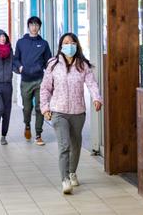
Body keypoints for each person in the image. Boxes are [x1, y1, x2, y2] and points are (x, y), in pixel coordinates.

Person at [40, 32, 103, 195]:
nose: (69, 45)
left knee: (76, 145)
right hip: (58, 112)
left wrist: (97, 98)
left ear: (76, 45)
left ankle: (72, 172)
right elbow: (45, 88)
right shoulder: (53, 64)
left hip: (78, 112)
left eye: (72, 42)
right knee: (64, 145)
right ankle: (65, 179)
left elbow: (92, 84)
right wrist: (45, 108)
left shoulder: (83, 65)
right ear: (61, 46)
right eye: (66, 43)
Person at [13, 16, 52, 145]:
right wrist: (20, 67)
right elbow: (16, 59)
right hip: (25, 80)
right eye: (32, 25)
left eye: (36, 25)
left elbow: (49, 62)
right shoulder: (21, 42)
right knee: (27, 108)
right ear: (28, 26)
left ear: (39, 27)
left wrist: (53, 78)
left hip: (40, 80)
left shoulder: (44, 44)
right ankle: (27, 125)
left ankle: (39, 134)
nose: (34, 27)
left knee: (40, 107)